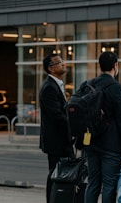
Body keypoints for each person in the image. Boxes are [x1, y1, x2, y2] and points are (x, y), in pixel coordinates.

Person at [84, 51, 121, 203]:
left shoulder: (89, 85)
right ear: (115, 66)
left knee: (93, 183)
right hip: (111, 144)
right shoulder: (116, 88)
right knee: (109, 185)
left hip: (91, 142)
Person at [39, 53, 73, 203]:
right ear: (51, 69)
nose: (63, 64)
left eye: (62, 61)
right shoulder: (49, 88)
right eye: (59, 62)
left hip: (61, 139)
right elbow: (57, 116)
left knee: (60, 173)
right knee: (54, 173)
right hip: (55, 140)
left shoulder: (56, 85)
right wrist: (73, 127)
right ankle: (52, 200)